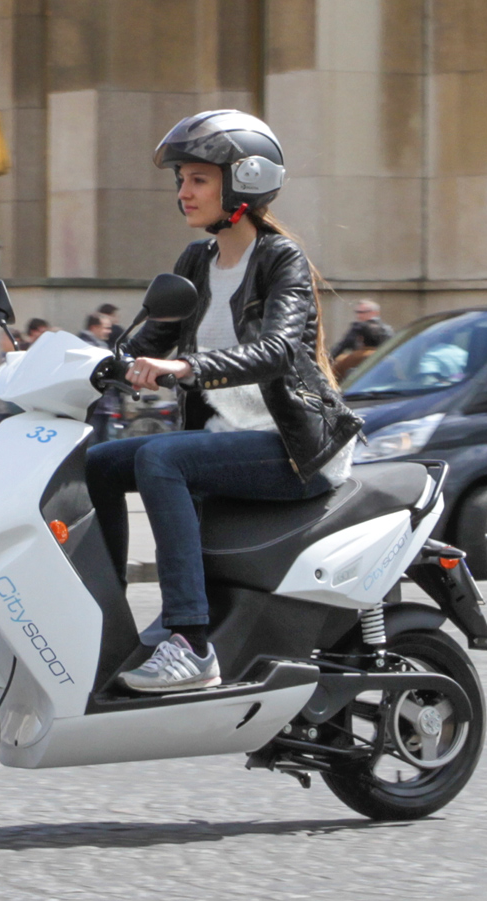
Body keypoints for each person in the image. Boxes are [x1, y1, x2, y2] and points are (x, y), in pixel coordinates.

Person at [86, 109, 361, 693]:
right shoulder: (195, 264)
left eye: (198, 179)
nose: (183, 192)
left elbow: (279, 350)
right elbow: (140, 343)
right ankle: (100, 614)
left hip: (293, 447)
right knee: (96, 464)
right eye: (181, 179)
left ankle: (191, 641)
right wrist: (61, 367)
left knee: (161, 460)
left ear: (244, 181)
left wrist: (185, 367)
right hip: (230, 440)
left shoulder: (278, 259)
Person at [78, 312, 121, 444]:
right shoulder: (90, 346)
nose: (109, 331)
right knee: (96, 443)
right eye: (106, 327)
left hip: (100, 404)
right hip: (95, 404)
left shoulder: (95, 344)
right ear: (94, 328)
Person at [329, 299, 392, 380]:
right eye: (357, 312)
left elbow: (342, 346)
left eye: (362, 312)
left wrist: (328, 359)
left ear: (375, 313)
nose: (359, 315)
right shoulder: (387, 329)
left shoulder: (358, 328)